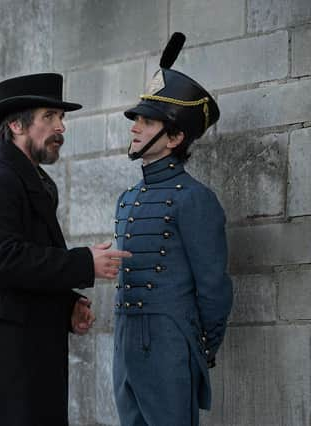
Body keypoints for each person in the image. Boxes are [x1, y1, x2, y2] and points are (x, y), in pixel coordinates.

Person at [0, 73, 132, 426]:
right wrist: (84, 262)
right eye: (49, 118)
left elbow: (25, 264)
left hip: (28, 350)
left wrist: (65, 303)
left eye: (62, 118)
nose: (61, 128)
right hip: (2, 358)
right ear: (15, 125)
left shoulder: (33, 180)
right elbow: (1, 260)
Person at [111, 33, 233, 426]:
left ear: (175, 137)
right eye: (137, 121)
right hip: (125, 342)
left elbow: (214, 288)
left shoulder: (194, 199)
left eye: (147, 122)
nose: (135, 129)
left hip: (169, 344)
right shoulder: (128, 198)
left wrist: (195, 347)